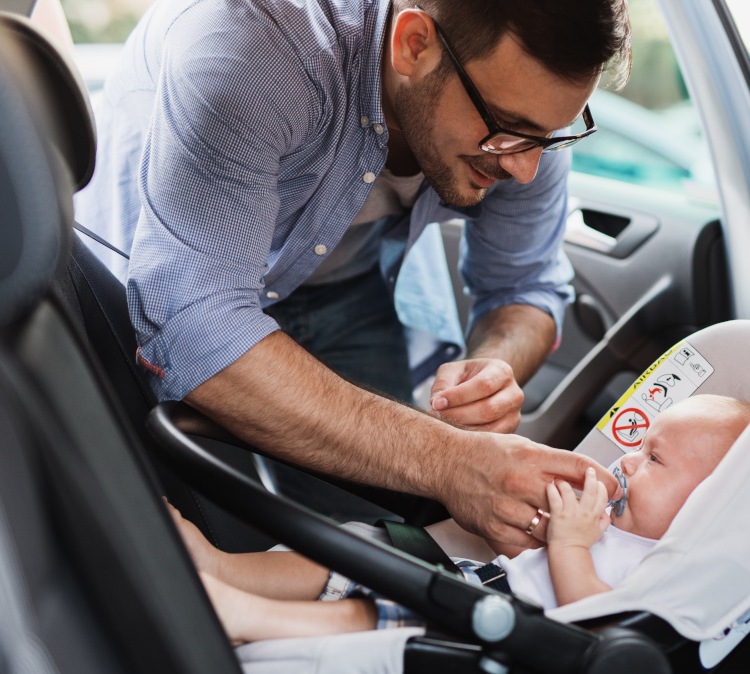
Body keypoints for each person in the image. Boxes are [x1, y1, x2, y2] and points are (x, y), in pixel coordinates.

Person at [74, 0, 632, 545]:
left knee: (386, 538)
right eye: (508, 128)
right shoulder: (254, 44)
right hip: (144, 291)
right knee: (179, 536)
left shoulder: (524, 121)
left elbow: (525, 286)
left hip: (343, 290)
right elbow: (196, 325)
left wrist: (492, 369)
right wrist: (449, 460)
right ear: (414, 44)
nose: (526, 168)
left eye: (549, 137)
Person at [169, 395, 750, 644]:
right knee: (360, 548)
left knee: (370, 613)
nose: (629, 459)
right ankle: (222, 567)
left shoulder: (664, 566)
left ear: (708, 503)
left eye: (653, 458)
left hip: (502, 630)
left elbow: (595, 618)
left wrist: (571, 544)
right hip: (471, 579)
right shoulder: (617, 521)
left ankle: (249, 618)